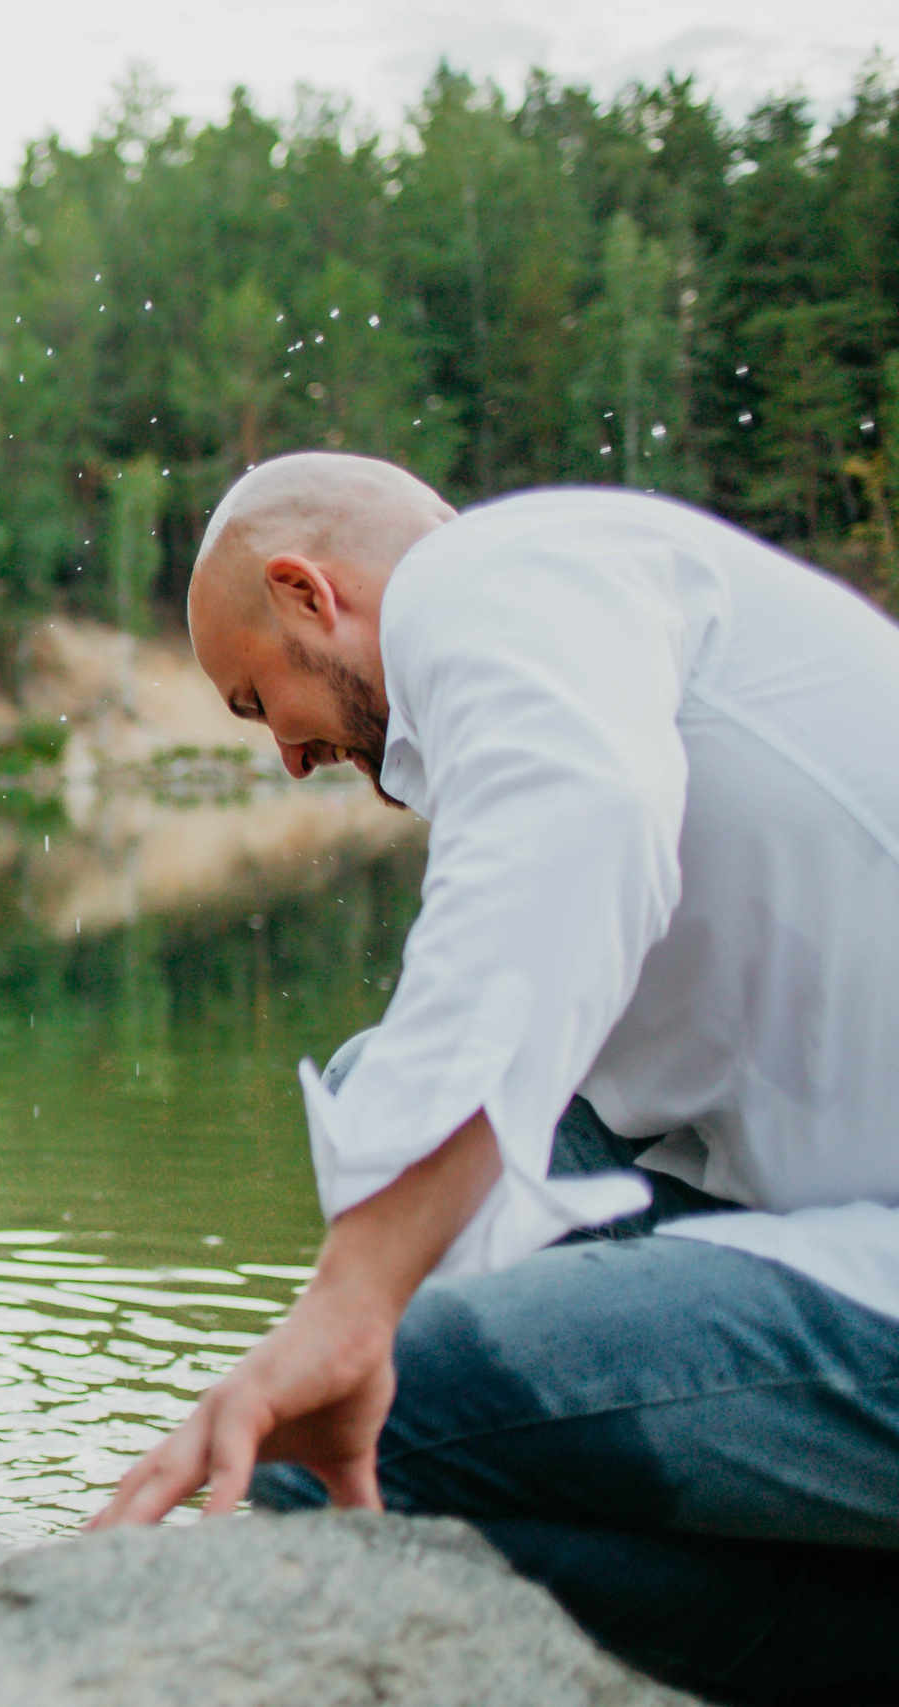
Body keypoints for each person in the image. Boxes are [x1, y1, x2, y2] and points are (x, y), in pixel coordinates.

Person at [89, 453, 899, 1703]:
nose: (289, 762)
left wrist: (350, 1309)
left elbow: (584, 811)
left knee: (332, 1455)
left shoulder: (496, 573)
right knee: (379, 1096)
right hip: (828, 1212)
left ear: (309, 595)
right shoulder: (584, 614)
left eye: (257, 704)